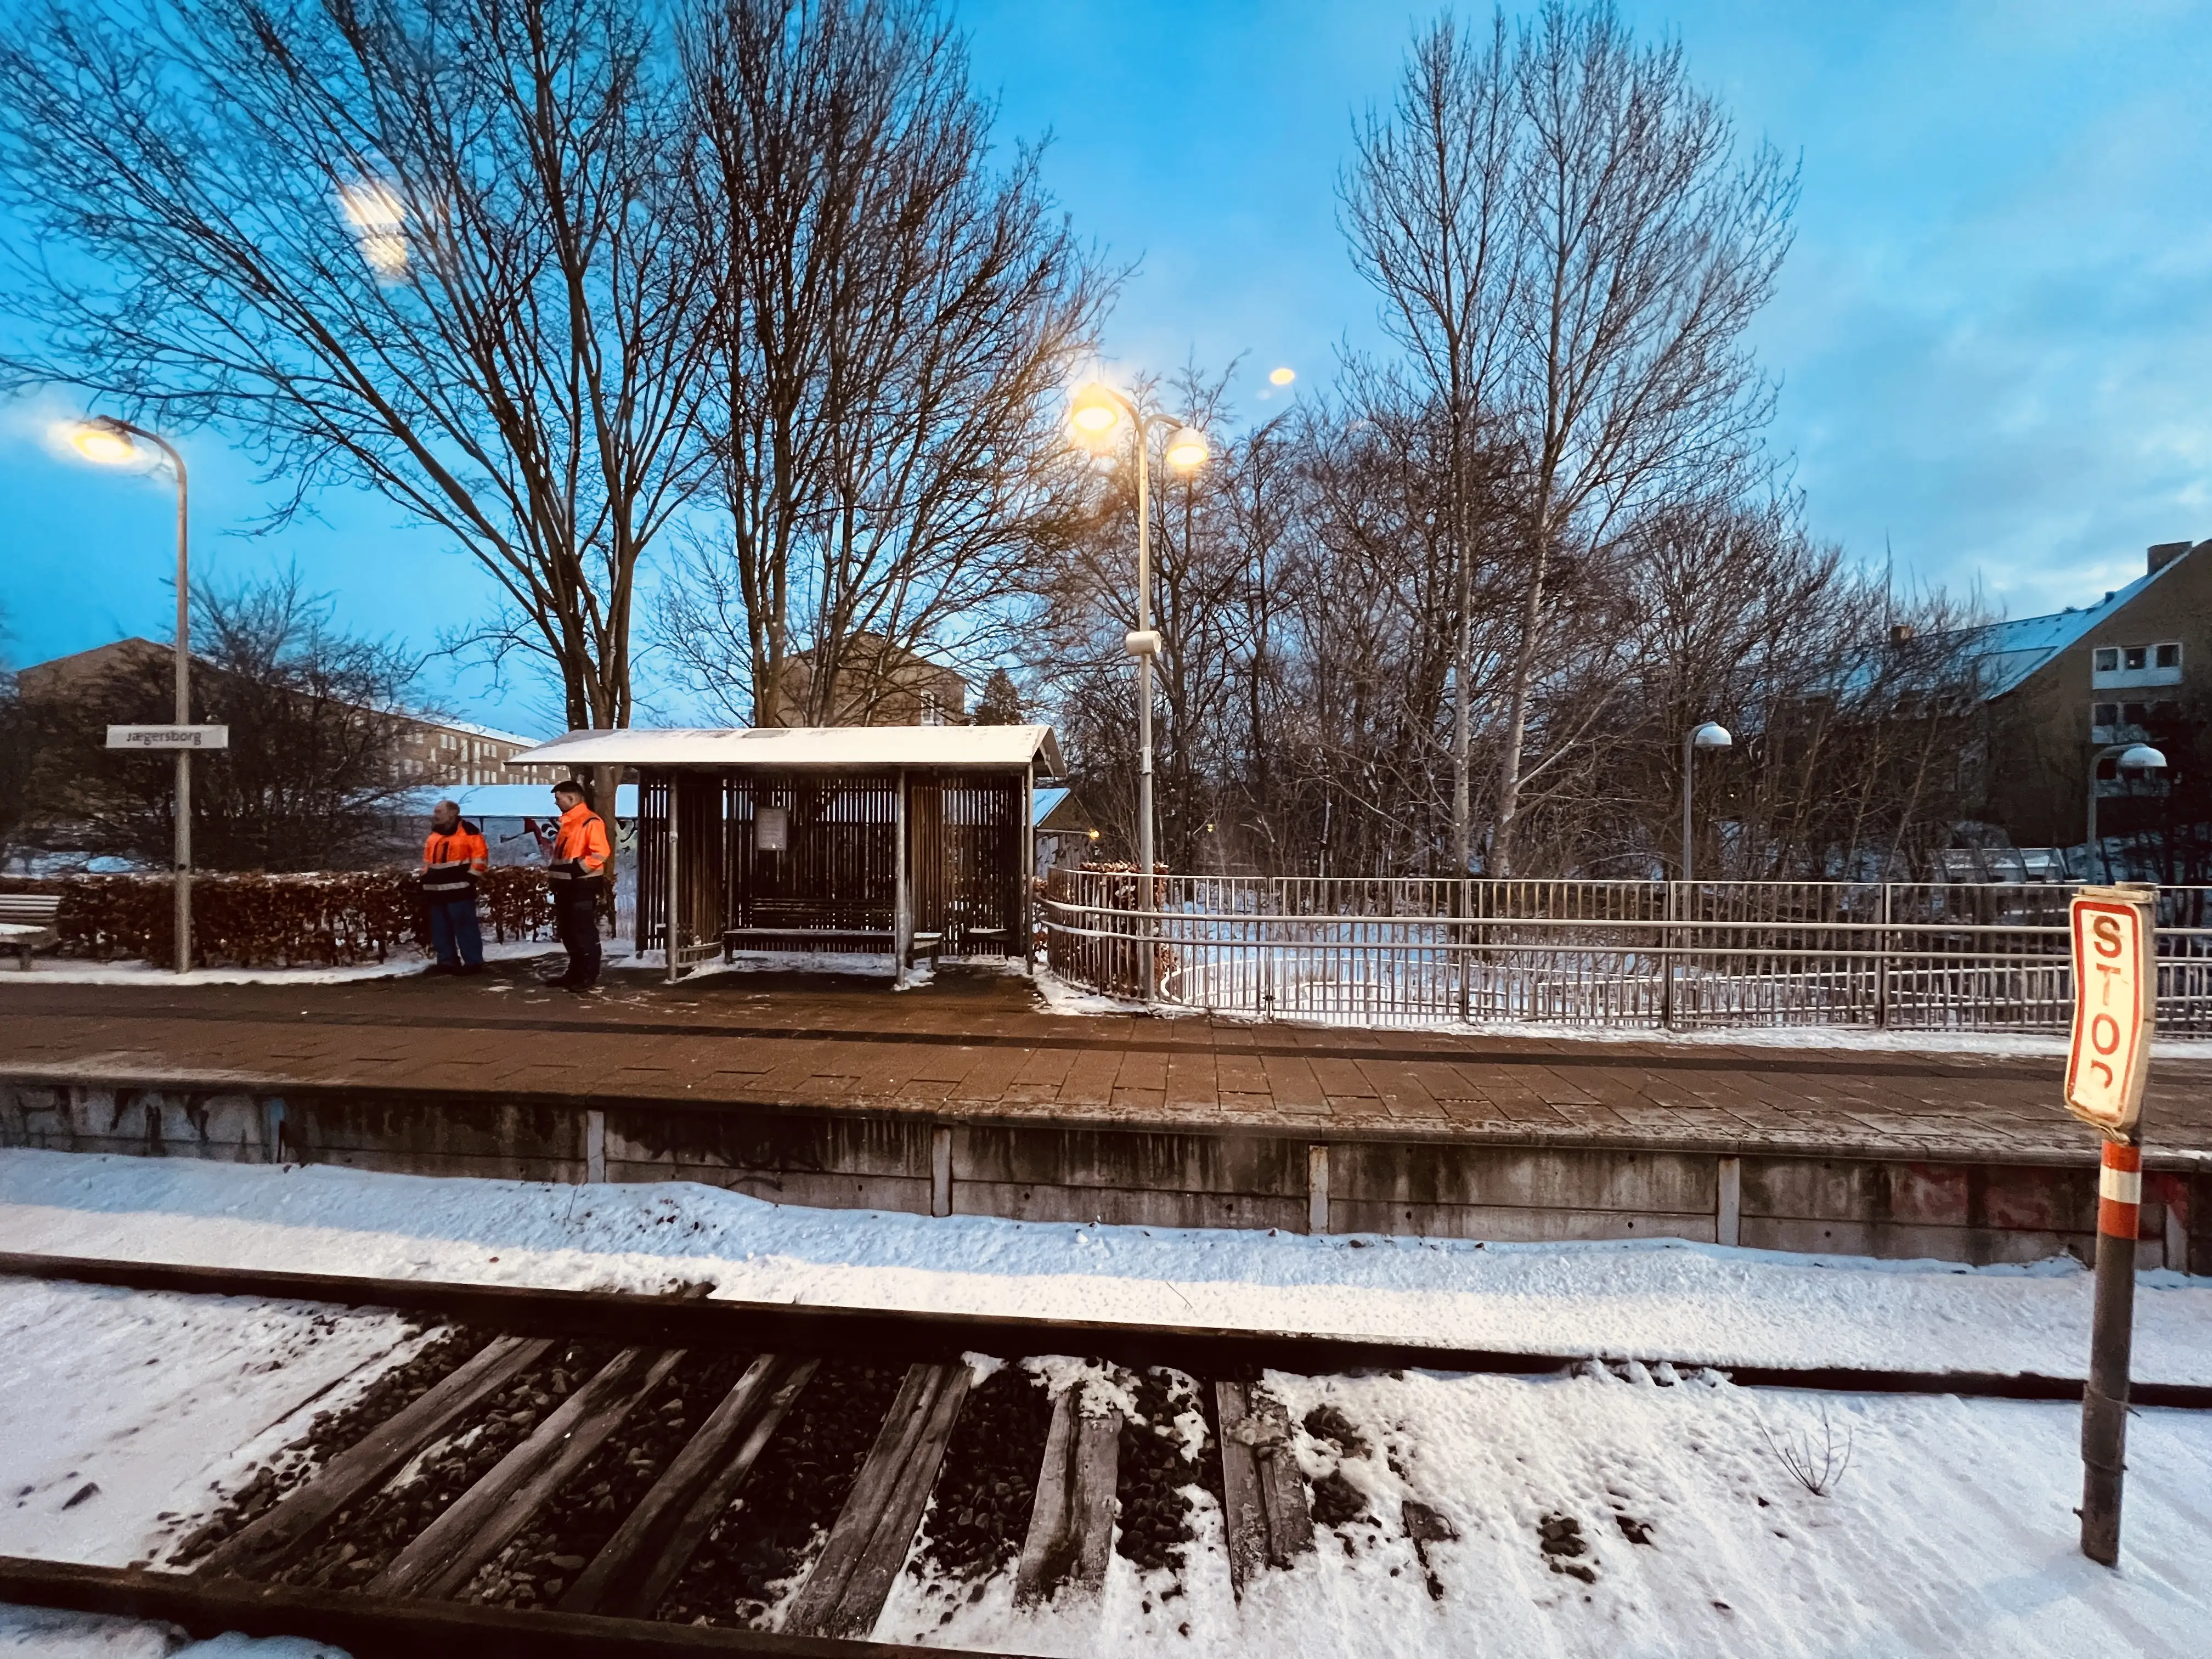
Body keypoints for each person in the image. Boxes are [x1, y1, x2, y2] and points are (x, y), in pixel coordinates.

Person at [544, 777, 611, 989]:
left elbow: (600, 853)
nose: (556, 803)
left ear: (572, 798)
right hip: (568, 886)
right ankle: (575, 973)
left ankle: (587, 975)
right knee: (569, 932)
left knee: (582, 932)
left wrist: (575, 871)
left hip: (582, 886)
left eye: (559, 799)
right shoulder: (570, 822)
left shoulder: (590, 821)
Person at [419, 799, 489, 975]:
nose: (435, 815)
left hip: (459, 890)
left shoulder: (469, 832)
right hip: (436, 890)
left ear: (452, 813)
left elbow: (480, 858)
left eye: (439, 811)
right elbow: (427, 862)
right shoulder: (434, 835)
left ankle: (473, 963)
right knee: (440, 929)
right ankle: (447, 962)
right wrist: (425, 880)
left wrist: (470, 879)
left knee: (465, 927)